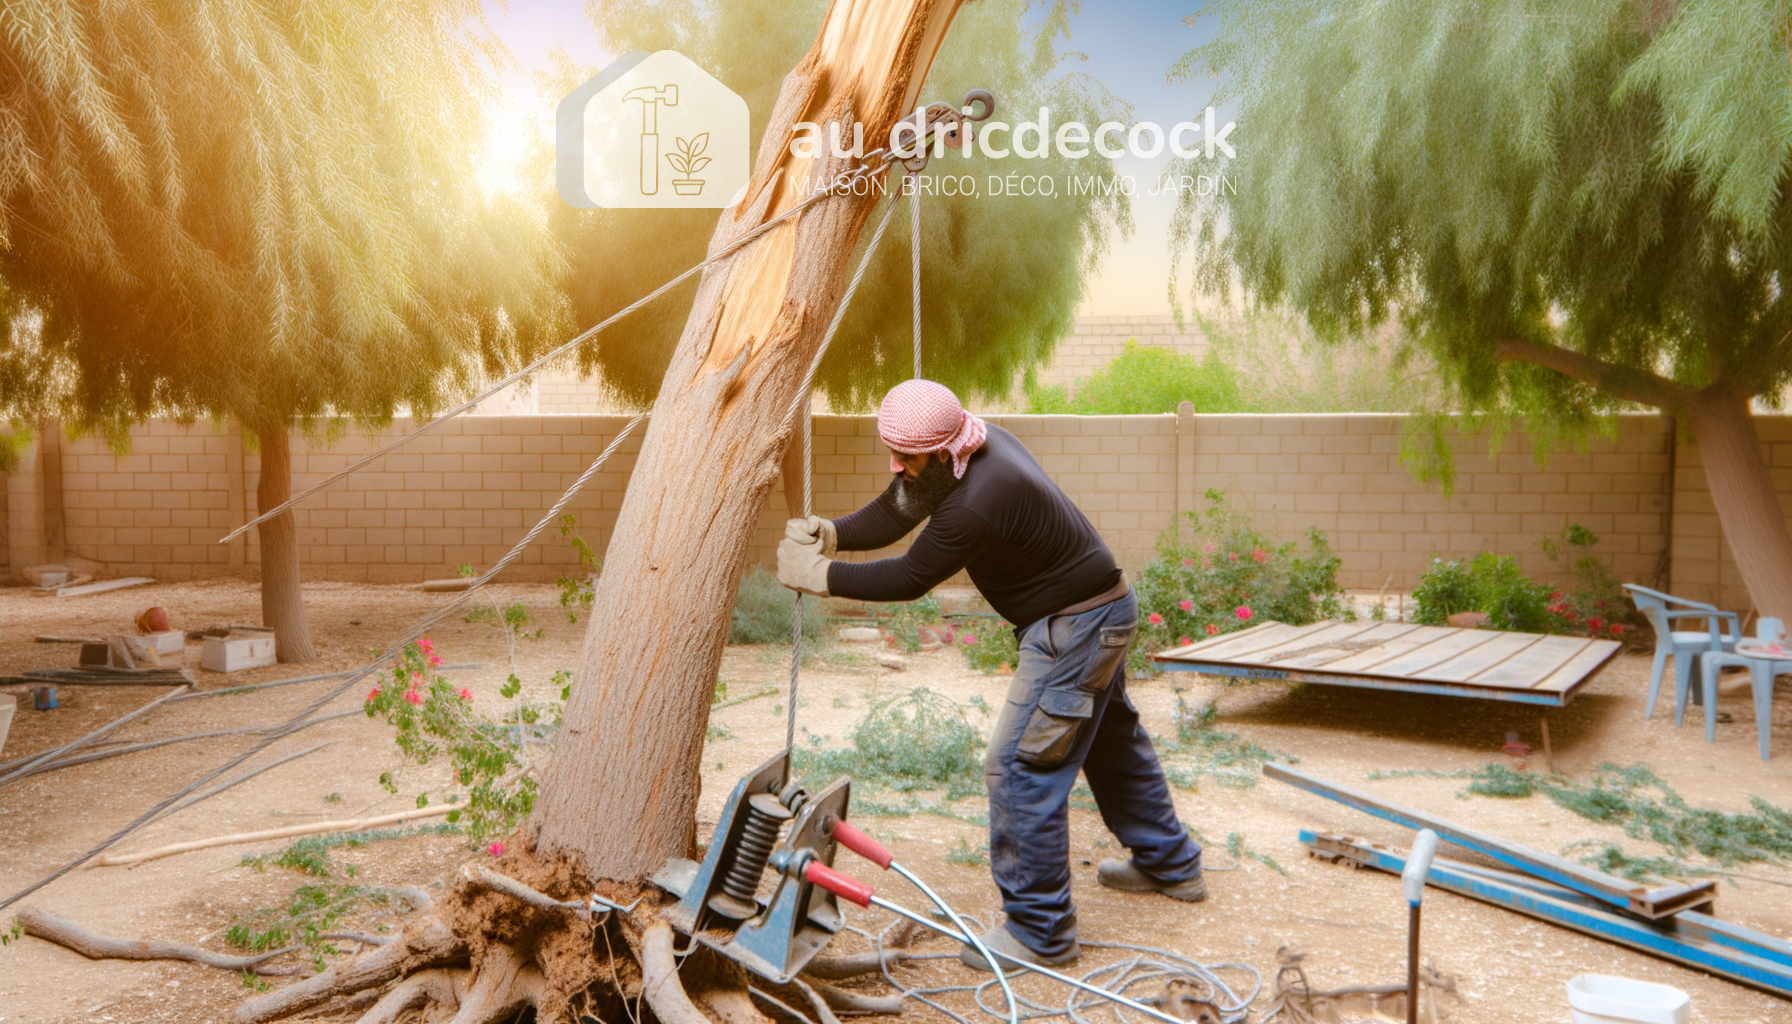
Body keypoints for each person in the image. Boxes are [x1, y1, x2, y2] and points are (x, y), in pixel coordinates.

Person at [777, 379, 1205, 970]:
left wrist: (819, 576)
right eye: (891, 450)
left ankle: (1040, 932)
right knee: (1110, 743)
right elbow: (900, 504)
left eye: (906, 455)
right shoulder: (967, 449)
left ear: (943, 449)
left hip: (1074, 628)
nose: (895, 464)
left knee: (1021, 765)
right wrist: (835, 533)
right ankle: (1170, 863)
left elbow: (908, 577)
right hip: (1102, 609)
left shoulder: (979, 499)